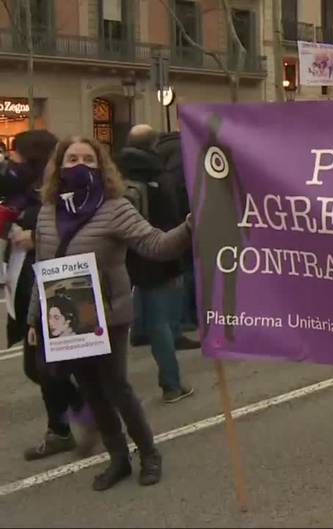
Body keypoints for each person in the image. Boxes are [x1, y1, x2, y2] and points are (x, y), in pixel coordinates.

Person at [27, 136, 192, 490]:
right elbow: (41, 265)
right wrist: (33, 319)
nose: (80, 165)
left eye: (89, 159)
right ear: (59, 165)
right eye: (72, 159)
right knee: (92, 392)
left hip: (109, 316)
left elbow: (155, 245)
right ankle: (118, 458)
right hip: (68, 321)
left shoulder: (115, 207)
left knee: (117, 389)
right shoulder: (47, 211)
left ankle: (149, 454)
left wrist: (189, 227)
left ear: (102, 166)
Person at [2, 130, 98, 461]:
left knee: (44, 364)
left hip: (51, 284)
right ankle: (63, 426)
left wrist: (36, 234)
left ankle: (81, 414)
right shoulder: (22, 194)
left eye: (14, 154)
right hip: (23, 280)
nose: (9, 160)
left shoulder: (59, 194)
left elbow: (84, 228)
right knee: (40, 366)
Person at [116, 125, 195, 403]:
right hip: (156, 252)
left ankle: (136, 337)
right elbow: (170, 217)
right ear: (154, 144)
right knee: (161, 322)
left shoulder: (115, 172)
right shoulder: (158, 174)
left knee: (118, 324)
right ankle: (171, 384)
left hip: (122, 255)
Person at [154, 131, 199, 332]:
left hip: (160, 219)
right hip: (183, 218)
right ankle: (186, 317)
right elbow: (186, 188)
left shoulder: (158, 152)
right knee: (188, 268)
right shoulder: (184, 152)